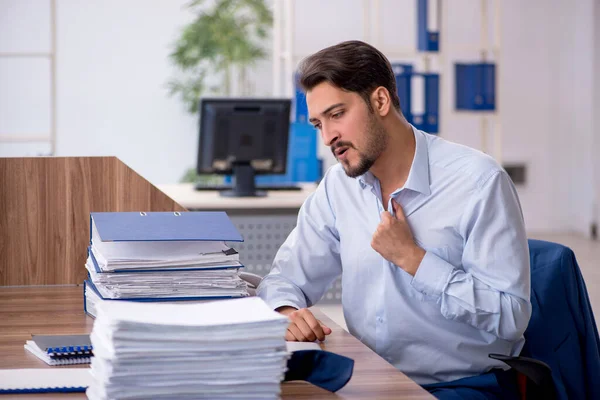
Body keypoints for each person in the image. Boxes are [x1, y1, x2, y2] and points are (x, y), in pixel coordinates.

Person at [257, 40, 531, 399]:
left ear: (380, 101)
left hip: (460, 386)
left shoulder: (478, 182)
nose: (328, 138)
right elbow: (285, 277)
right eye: (317, 124)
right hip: (367, 379)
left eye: (337, 114)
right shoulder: (339, 187)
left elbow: (511, 317)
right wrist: (287, 309)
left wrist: (414, 260)